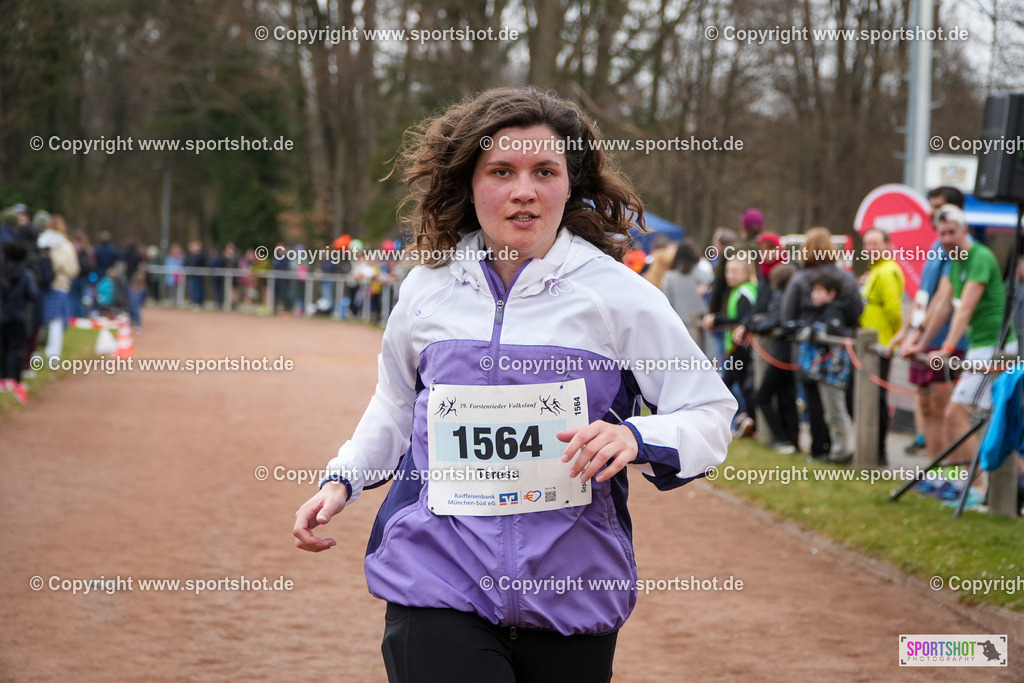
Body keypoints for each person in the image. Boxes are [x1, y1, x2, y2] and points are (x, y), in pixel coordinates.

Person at [292, 87, 736, 682]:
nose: (523, 190)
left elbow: (709, 412)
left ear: (569, 183)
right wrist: (343, 477)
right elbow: (396, 404)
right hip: (438, 579)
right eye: (501, 171)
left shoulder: (618, 297)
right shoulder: (428, 291)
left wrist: (635, 437)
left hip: (571, 590)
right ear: (469, 183)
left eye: (543, 171)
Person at [903, 204, 1018, 465]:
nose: (946, 239)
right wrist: (919, 342)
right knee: (966, 416)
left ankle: (977, 487)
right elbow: (941, 305)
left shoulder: (980, 257)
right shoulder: (955, 260)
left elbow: (964, 308)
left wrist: (947, 348)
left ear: (964, 230)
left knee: (956, 415)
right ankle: (959, 481)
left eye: (951, 232)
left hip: (995, 346)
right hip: (981, 345)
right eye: (941, 233)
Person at [891, 186, 966, 458]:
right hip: (923, 339)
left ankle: (954, 477)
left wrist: (920, 338)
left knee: (944, 410)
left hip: (944, 340)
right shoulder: (936, 246)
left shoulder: (955, 249)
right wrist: (905, 331)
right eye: (931, 206)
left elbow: (943, 300)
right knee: (925, 409)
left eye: (938, 206)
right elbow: (924, 295)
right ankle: (934, 475)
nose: (932, 212)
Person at [781, 227, 862, 460]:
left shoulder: (799, 279)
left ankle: (821, 449)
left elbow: (787, 316)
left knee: (815, 401)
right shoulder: (847, 278)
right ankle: (839, 447)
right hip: (840, 352)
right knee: (838, 403)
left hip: (811, 352)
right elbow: (857, 312)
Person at [859, 228, 904, 466]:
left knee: (876, 399)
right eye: (867, 244)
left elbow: (894, 310)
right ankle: (870, 448)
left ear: (887, 244)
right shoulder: (875, 270)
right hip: (869, 345)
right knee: (868, 398)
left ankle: (879, 452)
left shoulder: (887, 271)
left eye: (875, 244)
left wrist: (896, 337)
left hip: (881, 346)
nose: (870, 249)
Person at [702, 256, 758, 436]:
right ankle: (734, 422)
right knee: (727, 385)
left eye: (735, 272)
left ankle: (750, 422)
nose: (730, 275)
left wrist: (717, 319)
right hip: (733, 347)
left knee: (739, 387)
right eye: (727, 271)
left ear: (746, 273)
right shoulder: (736, 291)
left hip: (741, 348)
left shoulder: (746, 291)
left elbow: (742, 319)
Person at [803, 272, 854, 463]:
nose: (815, 295)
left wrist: (815, 331)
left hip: (833, 372)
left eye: (819, 291)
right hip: (824, 372)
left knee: (836, 412)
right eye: (813, 291)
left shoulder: (834, 311)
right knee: (829, 412)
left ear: (832, 293)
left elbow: (835, 332)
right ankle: (836, 450)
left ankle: (842, 452)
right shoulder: (821, 311)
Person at [749, 263, 799, 453]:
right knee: (787, 397)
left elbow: (775, 320)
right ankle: (792, 441)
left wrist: (755, 326)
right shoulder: (793, 294)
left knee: (762, 396)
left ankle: (781, 438)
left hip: (781, 353)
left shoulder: (779, 294)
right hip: (791, 354)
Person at [37, 214, 80, 360]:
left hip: (41, 284)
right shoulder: (65, 245)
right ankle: (53, 354)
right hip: (59, 285)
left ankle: (35, 352)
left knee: (39, 319)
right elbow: (73, 269)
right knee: (57, 321)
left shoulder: (40, 241)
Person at [0, 241, 38, 404]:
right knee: (17, 350)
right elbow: (33, 294)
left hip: (2, 316)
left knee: (2, 348)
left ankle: (3, 380)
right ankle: (16, 381)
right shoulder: (26, 274)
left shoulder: (2, 273)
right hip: (19, 317)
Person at [661, 239, 711, 346]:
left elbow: (666, 302)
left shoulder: (669, 277)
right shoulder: (705, 275)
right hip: (704, 325)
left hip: (681, 326)